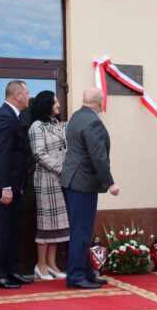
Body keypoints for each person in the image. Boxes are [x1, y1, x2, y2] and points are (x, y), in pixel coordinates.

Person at [60, 87, 120, 289]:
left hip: (72, 182)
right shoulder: (92, 121)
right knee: (81, 230)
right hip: (82, 183)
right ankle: (76, 276)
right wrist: (110, 182)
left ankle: (85, 271)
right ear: (100, 102)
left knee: (80, 229)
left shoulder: (76, 116)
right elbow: (98, 157)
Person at [0, 80, 34, 289]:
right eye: (27, 93)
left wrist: (17, 184)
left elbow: (13, 156)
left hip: (13, 185)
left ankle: (12, 271)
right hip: (1, 187)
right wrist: (6, 187)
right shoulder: (4, 116)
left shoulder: (12, 115)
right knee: (1, 232)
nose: (29, 96)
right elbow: (2, 156)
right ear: (17, 95)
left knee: (13, 230)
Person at [28, 90, 69, 281]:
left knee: (57, 224)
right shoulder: (37, 126)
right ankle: (40, 265)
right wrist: (61, 168)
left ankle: (52, 264)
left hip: (61, 180)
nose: (59, 105)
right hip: (46, 181)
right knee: (46, 224)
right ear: (46, 105)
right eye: (55, 102)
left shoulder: (58, 123)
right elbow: (39, 154)